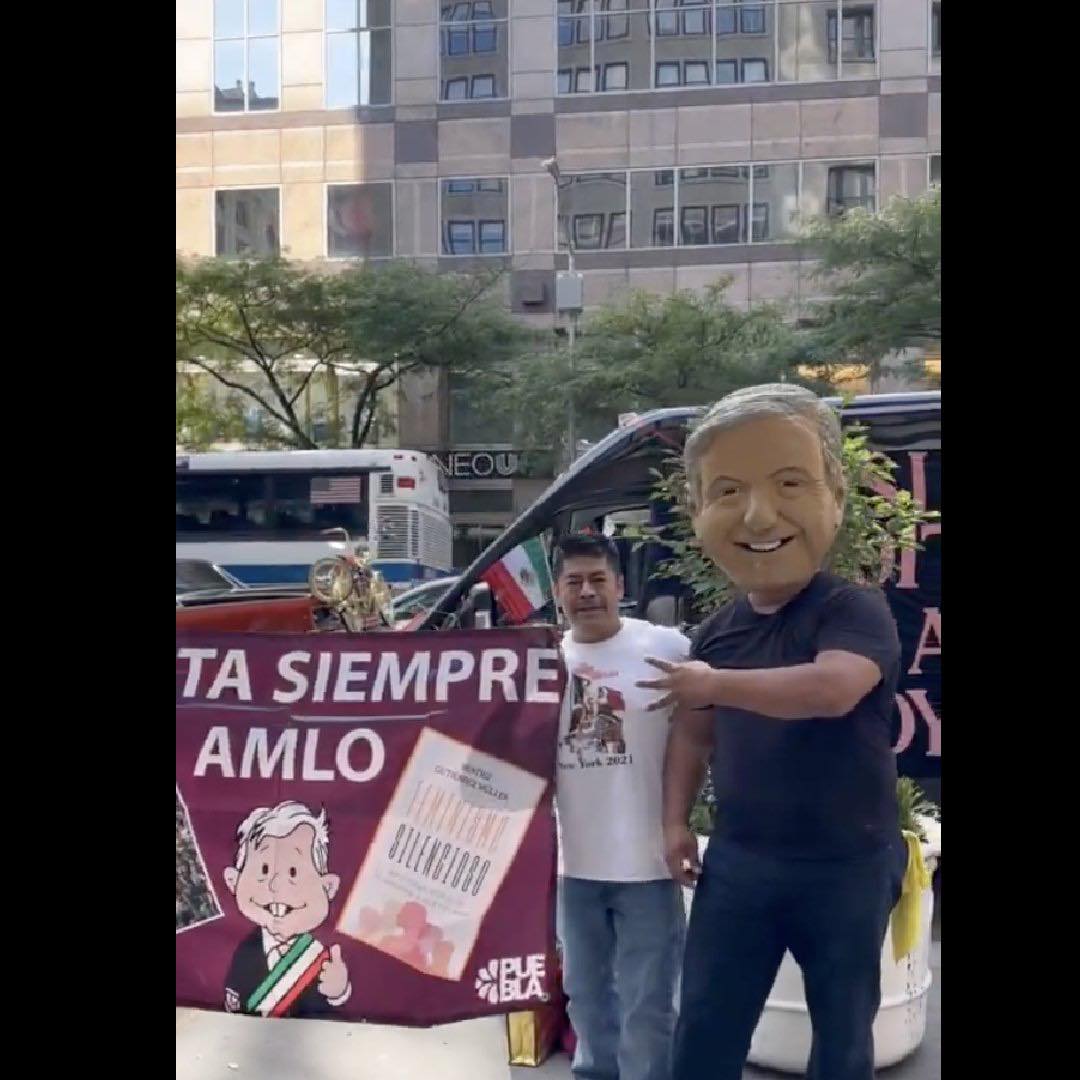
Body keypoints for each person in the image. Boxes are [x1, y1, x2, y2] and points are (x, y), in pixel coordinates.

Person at [638, 384, 908, 1080]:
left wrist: (716, 684)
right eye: (727, 492)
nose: (759, 515)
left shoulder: (854, 609)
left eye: (790, 482)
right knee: (704, 1030)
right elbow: (693, 736)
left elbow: (833, 688)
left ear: (835, 498)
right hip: (740, 864)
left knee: (843, 1039)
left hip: (848, 864)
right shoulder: (717, 632)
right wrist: (674, 823)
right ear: (698, 511)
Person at [552, 532, 691, 1080]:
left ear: (620, 585)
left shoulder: (669, 649)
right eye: (573, 582)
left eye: (597, 579)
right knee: (584, 999)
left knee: (648, 1006)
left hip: (648, 863)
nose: (587, 592)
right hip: (571, 866)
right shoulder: (539, 659)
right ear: (557, 591)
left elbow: (701, 736)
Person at [222, 801, 352, 1018]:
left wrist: (338, 992)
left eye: (293, 872)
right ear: (233, 881)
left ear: (328, 886)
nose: (276, 885)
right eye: (264, 869)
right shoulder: (245, 952)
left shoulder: (319, 958)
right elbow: (232, 1001)